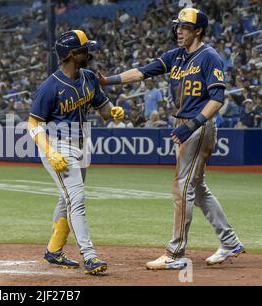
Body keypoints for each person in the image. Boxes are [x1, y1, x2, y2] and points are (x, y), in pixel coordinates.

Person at [99, 8, 244, 269]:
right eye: (178, 26)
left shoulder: (209, 57)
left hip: (198, 125)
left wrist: (192, 126)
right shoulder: (176, 56)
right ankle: (230, 241)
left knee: (181, 187)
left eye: (185, 27)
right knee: (197, 188)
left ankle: (175, 254)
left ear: (198, 30)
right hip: (187, 124)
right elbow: (142, 72)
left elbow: (217, 99)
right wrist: (106, 81)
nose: (179, 31)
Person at [28, 30, 124, 275]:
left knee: (67, 199)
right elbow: (33, 124)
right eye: (84, 49)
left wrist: (112, 112)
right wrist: (49, 152)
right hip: (58, 147)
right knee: (77, 199)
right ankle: (90, 256)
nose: (88, 52)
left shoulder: (89, 77)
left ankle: (54, 249)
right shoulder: (50, 87)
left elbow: (103, 108)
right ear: (72, 54)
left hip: (82, 145)